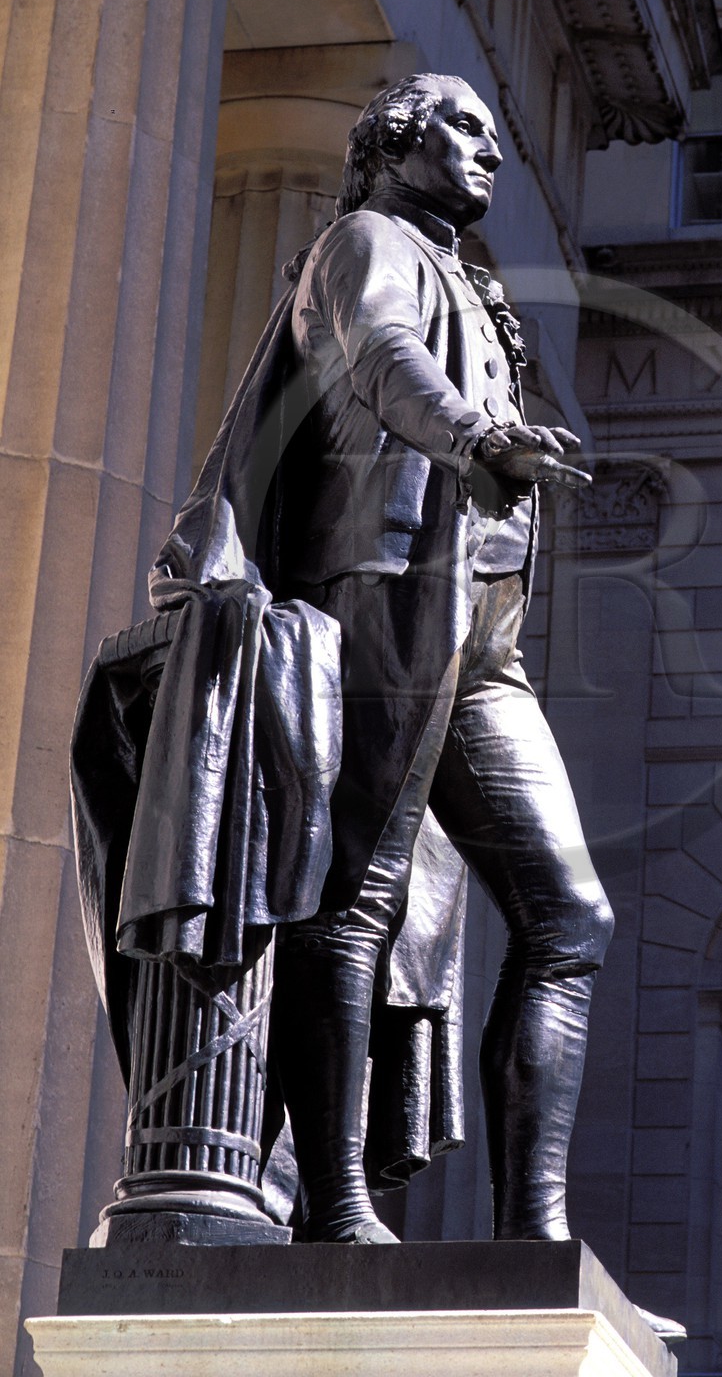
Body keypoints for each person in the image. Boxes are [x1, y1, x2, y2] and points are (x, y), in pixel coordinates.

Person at [153, 73, 614, 1245]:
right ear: (394, 139)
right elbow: (384, 355)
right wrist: (479, 433)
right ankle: (339, 1205)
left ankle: (538, 1237)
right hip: (383, 586)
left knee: (571, 917)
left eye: (500, 137)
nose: (491, 152)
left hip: (480, 631)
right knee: (354, 898)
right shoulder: (366, 241)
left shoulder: (475, 278)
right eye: (464, 125)